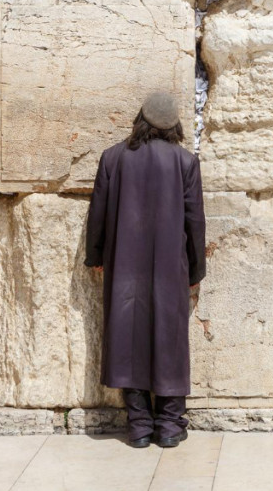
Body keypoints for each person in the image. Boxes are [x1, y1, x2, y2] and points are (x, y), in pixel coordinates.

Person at [85, 92, 206, 449]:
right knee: (170, 338)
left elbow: (98, 215)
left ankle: (139, 425)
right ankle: (169, 425)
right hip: (171, 268)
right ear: (175, 127)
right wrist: (195, 271)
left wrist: (95, 258)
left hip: (123, 266)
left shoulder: (113, 158)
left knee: (128, 338)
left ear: (139, 119)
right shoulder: (186, 162)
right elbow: (195, 222)